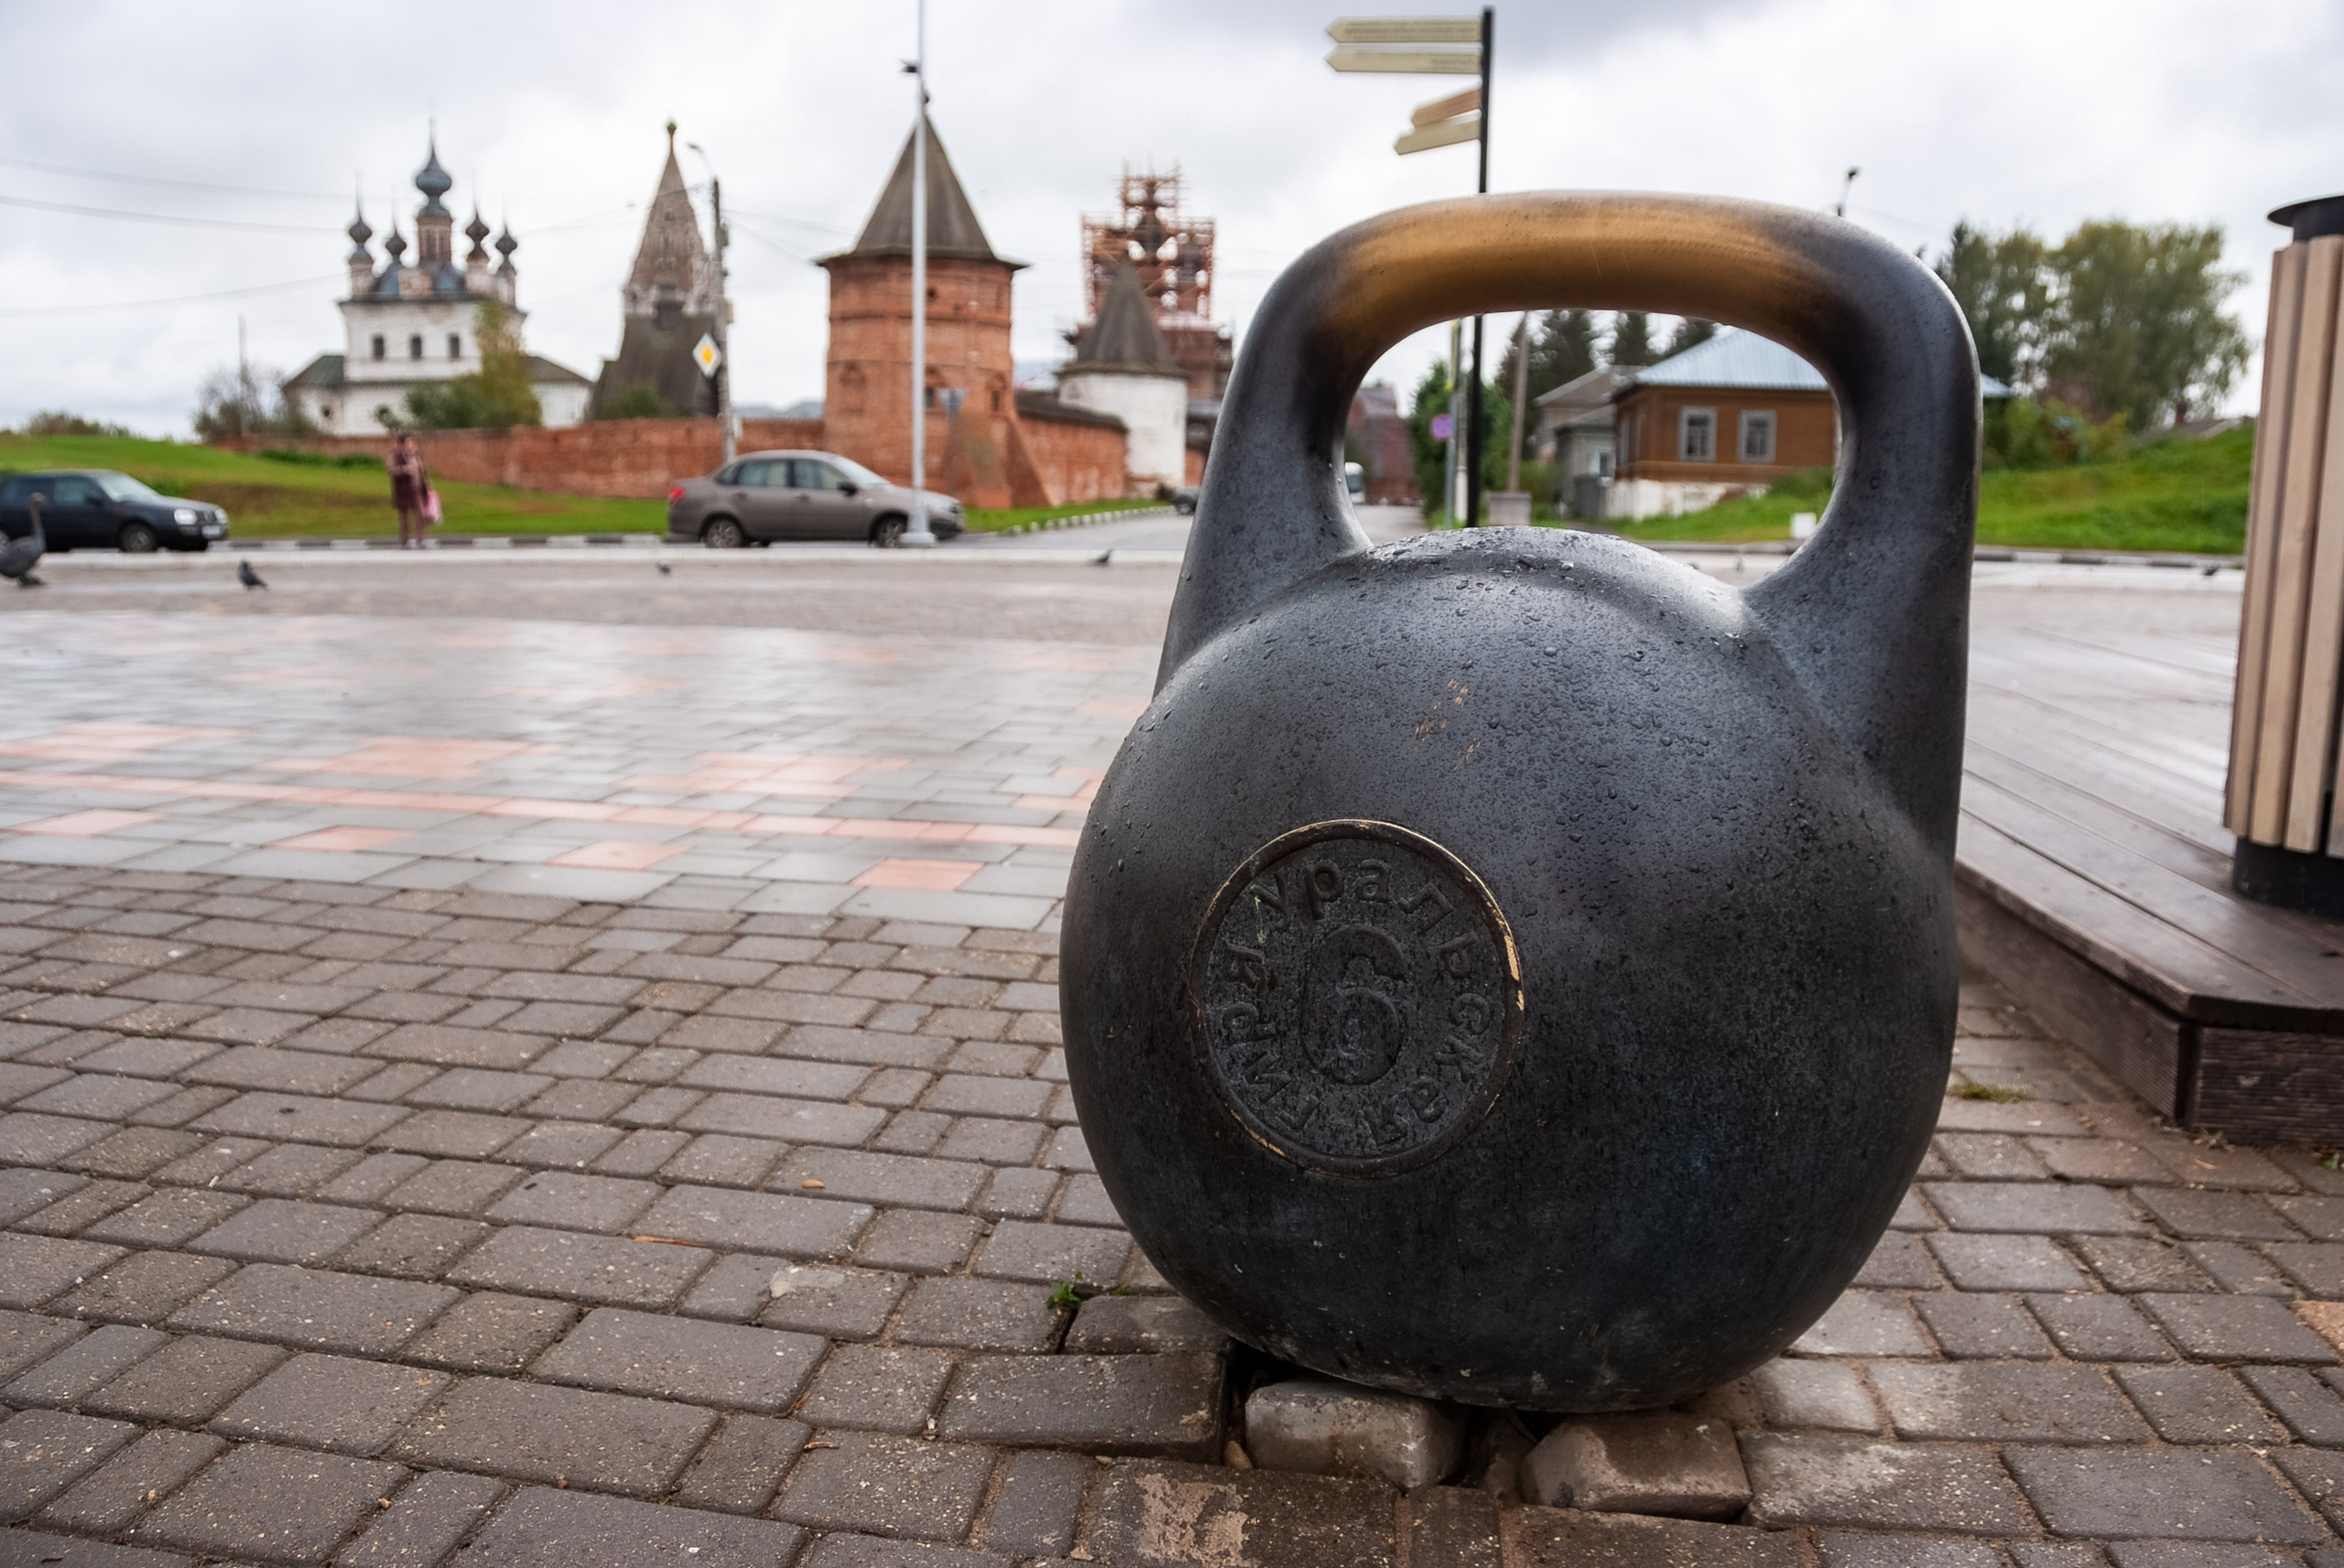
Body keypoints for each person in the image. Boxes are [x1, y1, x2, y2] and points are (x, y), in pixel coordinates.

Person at [388, 435, 432, 549]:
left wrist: (426, 485)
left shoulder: (416, 456)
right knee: (404, 518)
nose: (411, 444)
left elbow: (422, 471)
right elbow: (391, 469)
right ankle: (404, 541)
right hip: (404, 491)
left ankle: (420, 540)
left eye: (412, 442)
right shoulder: (396, 455)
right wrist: (404, 469)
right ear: (402, 444)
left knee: (421, 516)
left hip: (417, 490)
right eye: (408, 442)